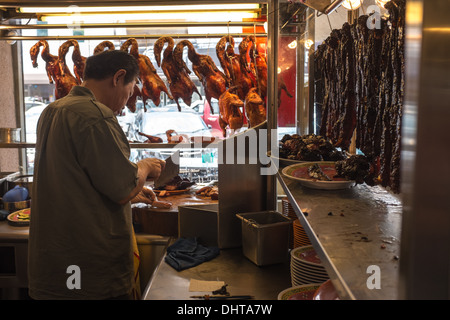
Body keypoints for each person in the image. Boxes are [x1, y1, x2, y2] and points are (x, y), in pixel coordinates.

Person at [28, 50, 165, 300]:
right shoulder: (96, 115)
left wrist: (132, 195)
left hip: (55, 265)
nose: (129, 98)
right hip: (87, 270)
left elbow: (75, 180)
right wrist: (144, 167)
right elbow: (124, 187)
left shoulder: (53, 110)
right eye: (132, 88)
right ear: (118, 77)